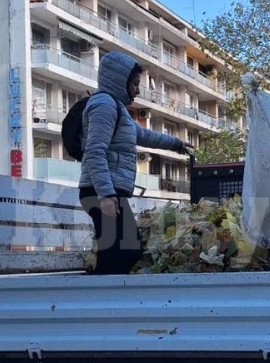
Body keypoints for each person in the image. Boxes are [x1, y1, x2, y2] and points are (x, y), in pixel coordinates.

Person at [79, 51, 188, 275]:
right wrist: (106, 196)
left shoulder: (118, 109)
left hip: (109, 191)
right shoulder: (104, 105)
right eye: (135, 84)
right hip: (101, 190)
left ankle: (105, 300)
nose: (138, 90)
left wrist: (176, 143)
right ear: (121, 81)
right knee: (118, 257)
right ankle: (103, 304)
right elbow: (94, 151)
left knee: (128, 252)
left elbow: (143, 135)